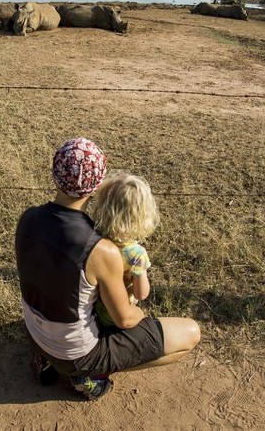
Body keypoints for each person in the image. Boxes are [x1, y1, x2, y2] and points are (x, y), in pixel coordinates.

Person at [15, 137, 200, 400]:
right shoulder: (100, 249)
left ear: (55, 175)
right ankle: (89, 375)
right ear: (96, 185)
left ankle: (47, 359)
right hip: (75, 354)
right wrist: (141, 315)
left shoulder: (28, 218)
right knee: (190, 334)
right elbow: (124, 318)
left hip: (34, 333)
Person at [90, 172, 158, 328]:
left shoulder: (95, 240)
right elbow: (141, 293)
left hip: (93, 311)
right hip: (118, 315)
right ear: (142, 215)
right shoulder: (137, 255)